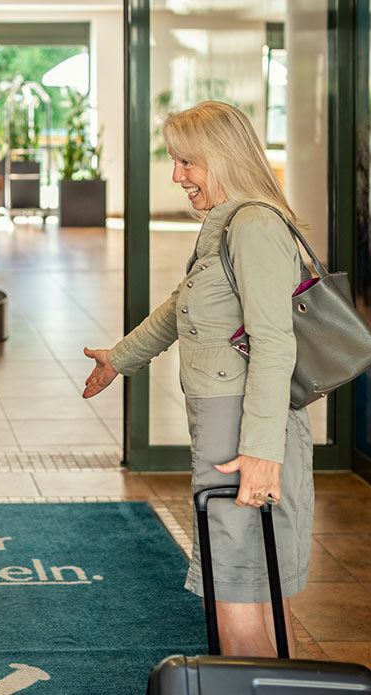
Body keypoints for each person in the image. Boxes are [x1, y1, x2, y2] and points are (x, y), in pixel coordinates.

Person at [82, 101, 313, 658]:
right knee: (251, 583)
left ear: (223, 157)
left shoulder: (254, 225)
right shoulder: (230, 222)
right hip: (232, 429)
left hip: (245, 435)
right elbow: (181, 306)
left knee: (235, 592)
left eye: (188, 162)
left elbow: (274, 343)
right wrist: (121, 357)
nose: (176, 176)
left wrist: (260, 452)